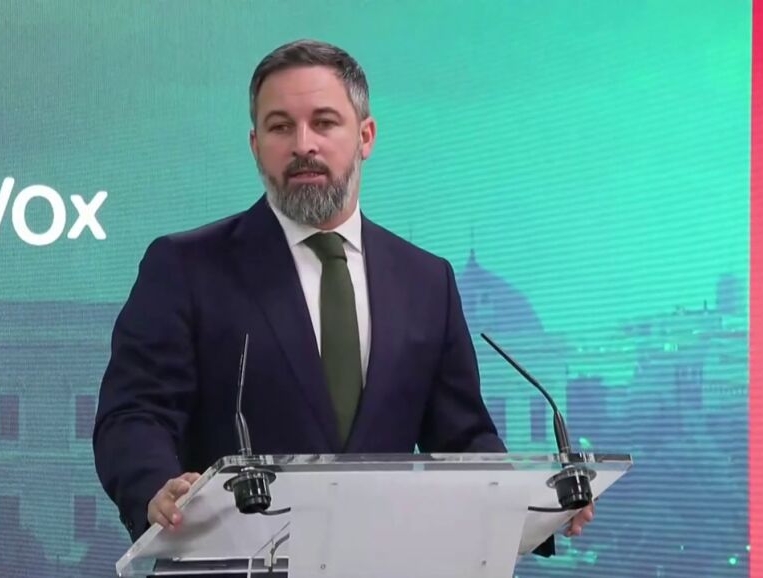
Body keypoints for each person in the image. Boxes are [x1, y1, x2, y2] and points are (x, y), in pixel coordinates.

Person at [93, 38, 592, 560]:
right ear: (256, 144)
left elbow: (462, 440)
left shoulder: (427, 281)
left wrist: (533, 506)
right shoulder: (186, 266)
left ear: (365, 136)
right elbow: (134, 414)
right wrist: (155, 486)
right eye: (280, 127)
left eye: (324, 122)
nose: (302, 144)